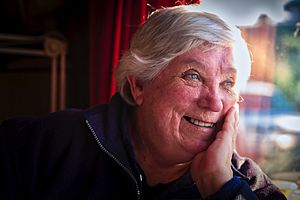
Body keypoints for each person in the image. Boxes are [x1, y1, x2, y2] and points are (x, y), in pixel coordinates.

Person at [0, 5, 287, 200]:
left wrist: (221, 189)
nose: (213, 102)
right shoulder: (35, 146)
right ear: (138, 85)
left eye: (227, 83)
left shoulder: (245, 183)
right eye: (193, 76)